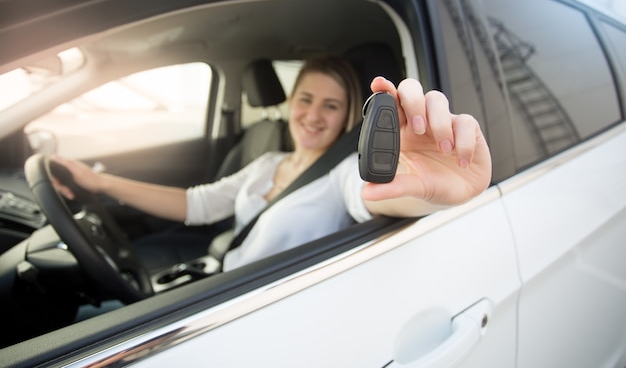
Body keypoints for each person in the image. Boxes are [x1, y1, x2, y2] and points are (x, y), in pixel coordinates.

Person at [53, 54, 492, 272]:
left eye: (331, 106)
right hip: (220, 281)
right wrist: (99, 182)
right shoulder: (267, 161)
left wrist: (432, 192)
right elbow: (197, 204)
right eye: (305, 99)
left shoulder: (343, 174)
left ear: (347, 117)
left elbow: (381, 199)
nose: (314, 115)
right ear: (289, 104)